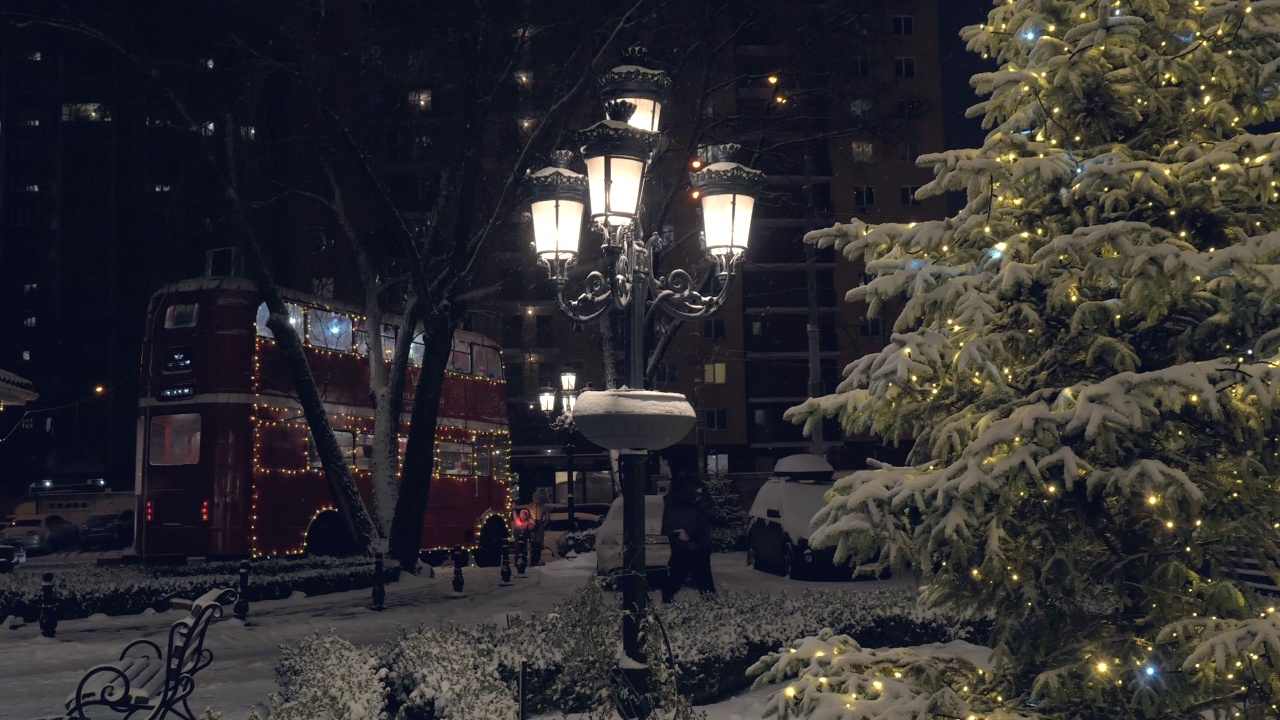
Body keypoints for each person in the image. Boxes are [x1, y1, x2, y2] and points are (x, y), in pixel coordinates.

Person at [661, 473, 716, 602]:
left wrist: (679, 533)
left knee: (677, 578)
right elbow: (708, 515)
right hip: (696, 544)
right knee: (703, 580)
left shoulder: (677, 497)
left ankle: (668, 603)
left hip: (687, 544)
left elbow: (670, 520)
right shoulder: (693, 495)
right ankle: (713, 607)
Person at [527, 491, 550, 566]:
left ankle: (537, 560)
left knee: (538, 546)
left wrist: (543, 524)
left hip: (540, 527)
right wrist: (531, 522)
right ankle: (533, 560)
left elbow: (547, 517)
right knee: (533, 545)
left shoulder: (543, 507)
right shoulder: (529, 506)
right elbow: (526, 516)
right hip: (532, 527)